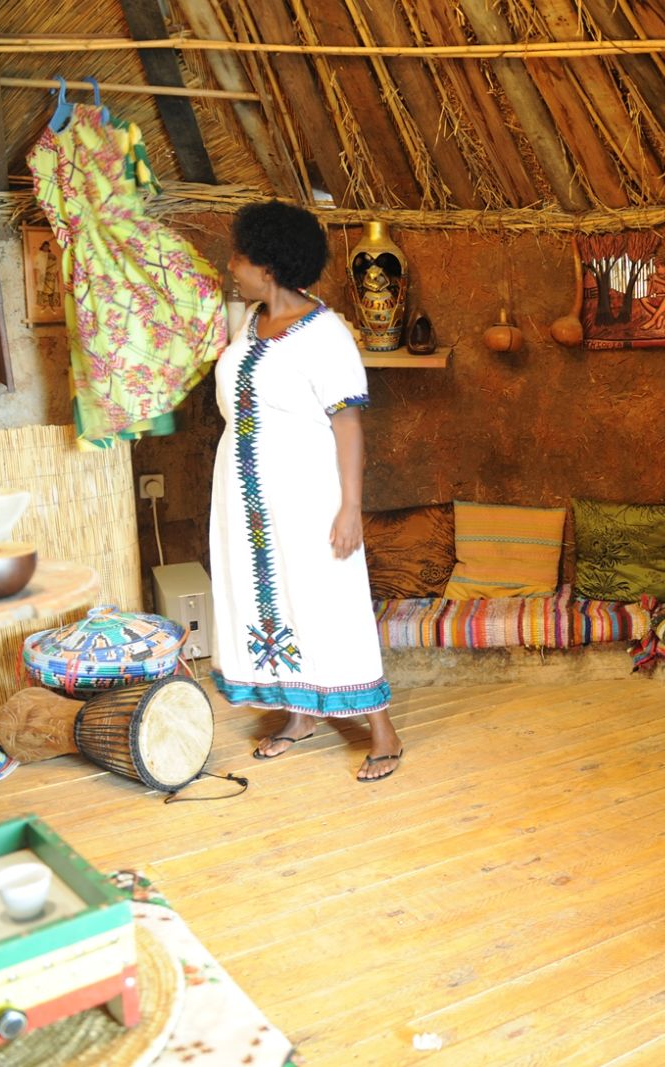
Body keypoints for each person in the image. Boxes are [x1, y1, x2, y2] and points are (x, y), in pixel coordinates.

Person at [210, 200, 403, 781]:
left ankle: (383, 731)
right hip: (244, 495)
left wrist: (350, 507)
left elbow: (347, 424)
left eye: (239, 257)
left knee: (328, 600)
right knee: (267, 598)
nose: (230, 266)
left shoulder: (326, 334)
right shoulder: (250, 321)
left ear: (267, 266)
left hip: (308, 492)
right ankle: (299, 715)